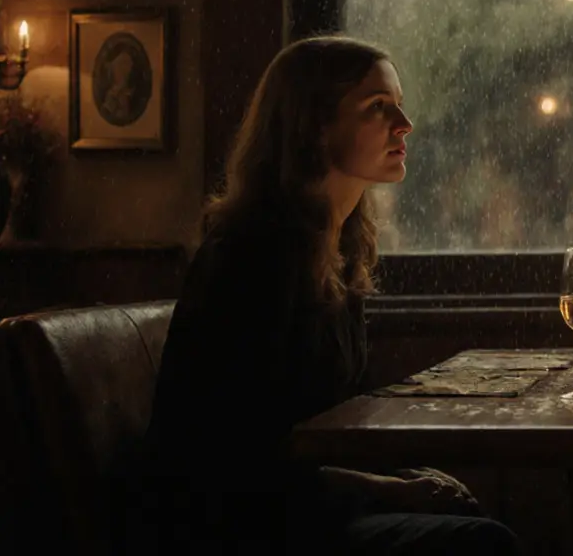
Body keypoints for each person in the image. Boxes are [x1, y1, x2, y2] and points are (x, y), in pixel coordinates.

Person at [130, 36, 521, 555]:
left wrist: (404, 476)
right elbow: (240, 459)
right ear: (313, 128)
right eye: (377, 108)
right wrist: (396, 488)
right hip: (238, 526)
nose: (404, 124)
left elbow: (338, 422)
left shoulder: (338, 246)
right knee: (481, 542)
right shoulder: (252, 258)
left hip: (301, 507)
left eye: (399, 103)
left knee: (470, 510)